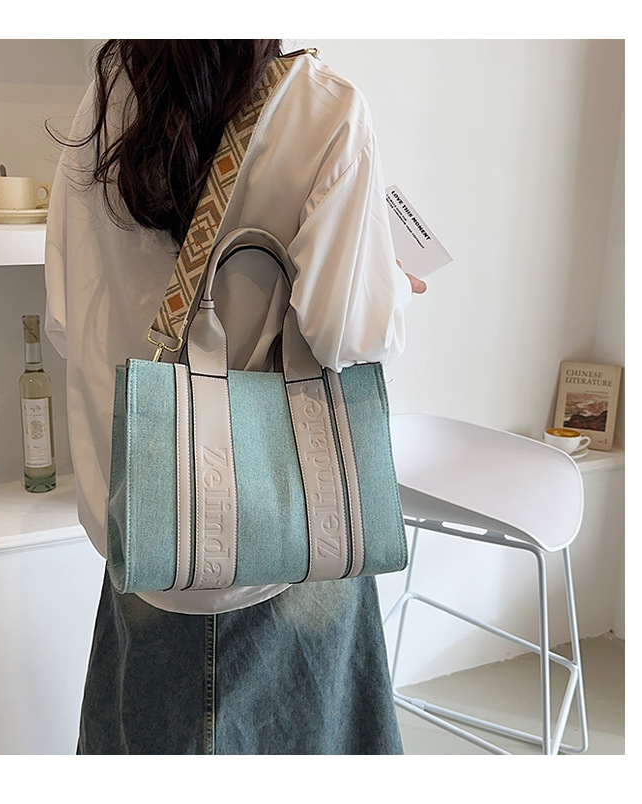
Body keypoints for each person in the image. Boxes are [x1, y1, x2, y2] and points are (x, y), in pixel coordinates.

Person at [44, 39, 425, 755]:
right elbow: (349, 334)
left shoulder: (110, 92)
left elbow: (65, 322)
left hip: (145, 533)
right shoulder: (324, 109)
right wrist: (393, 285)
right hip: (283, 538)